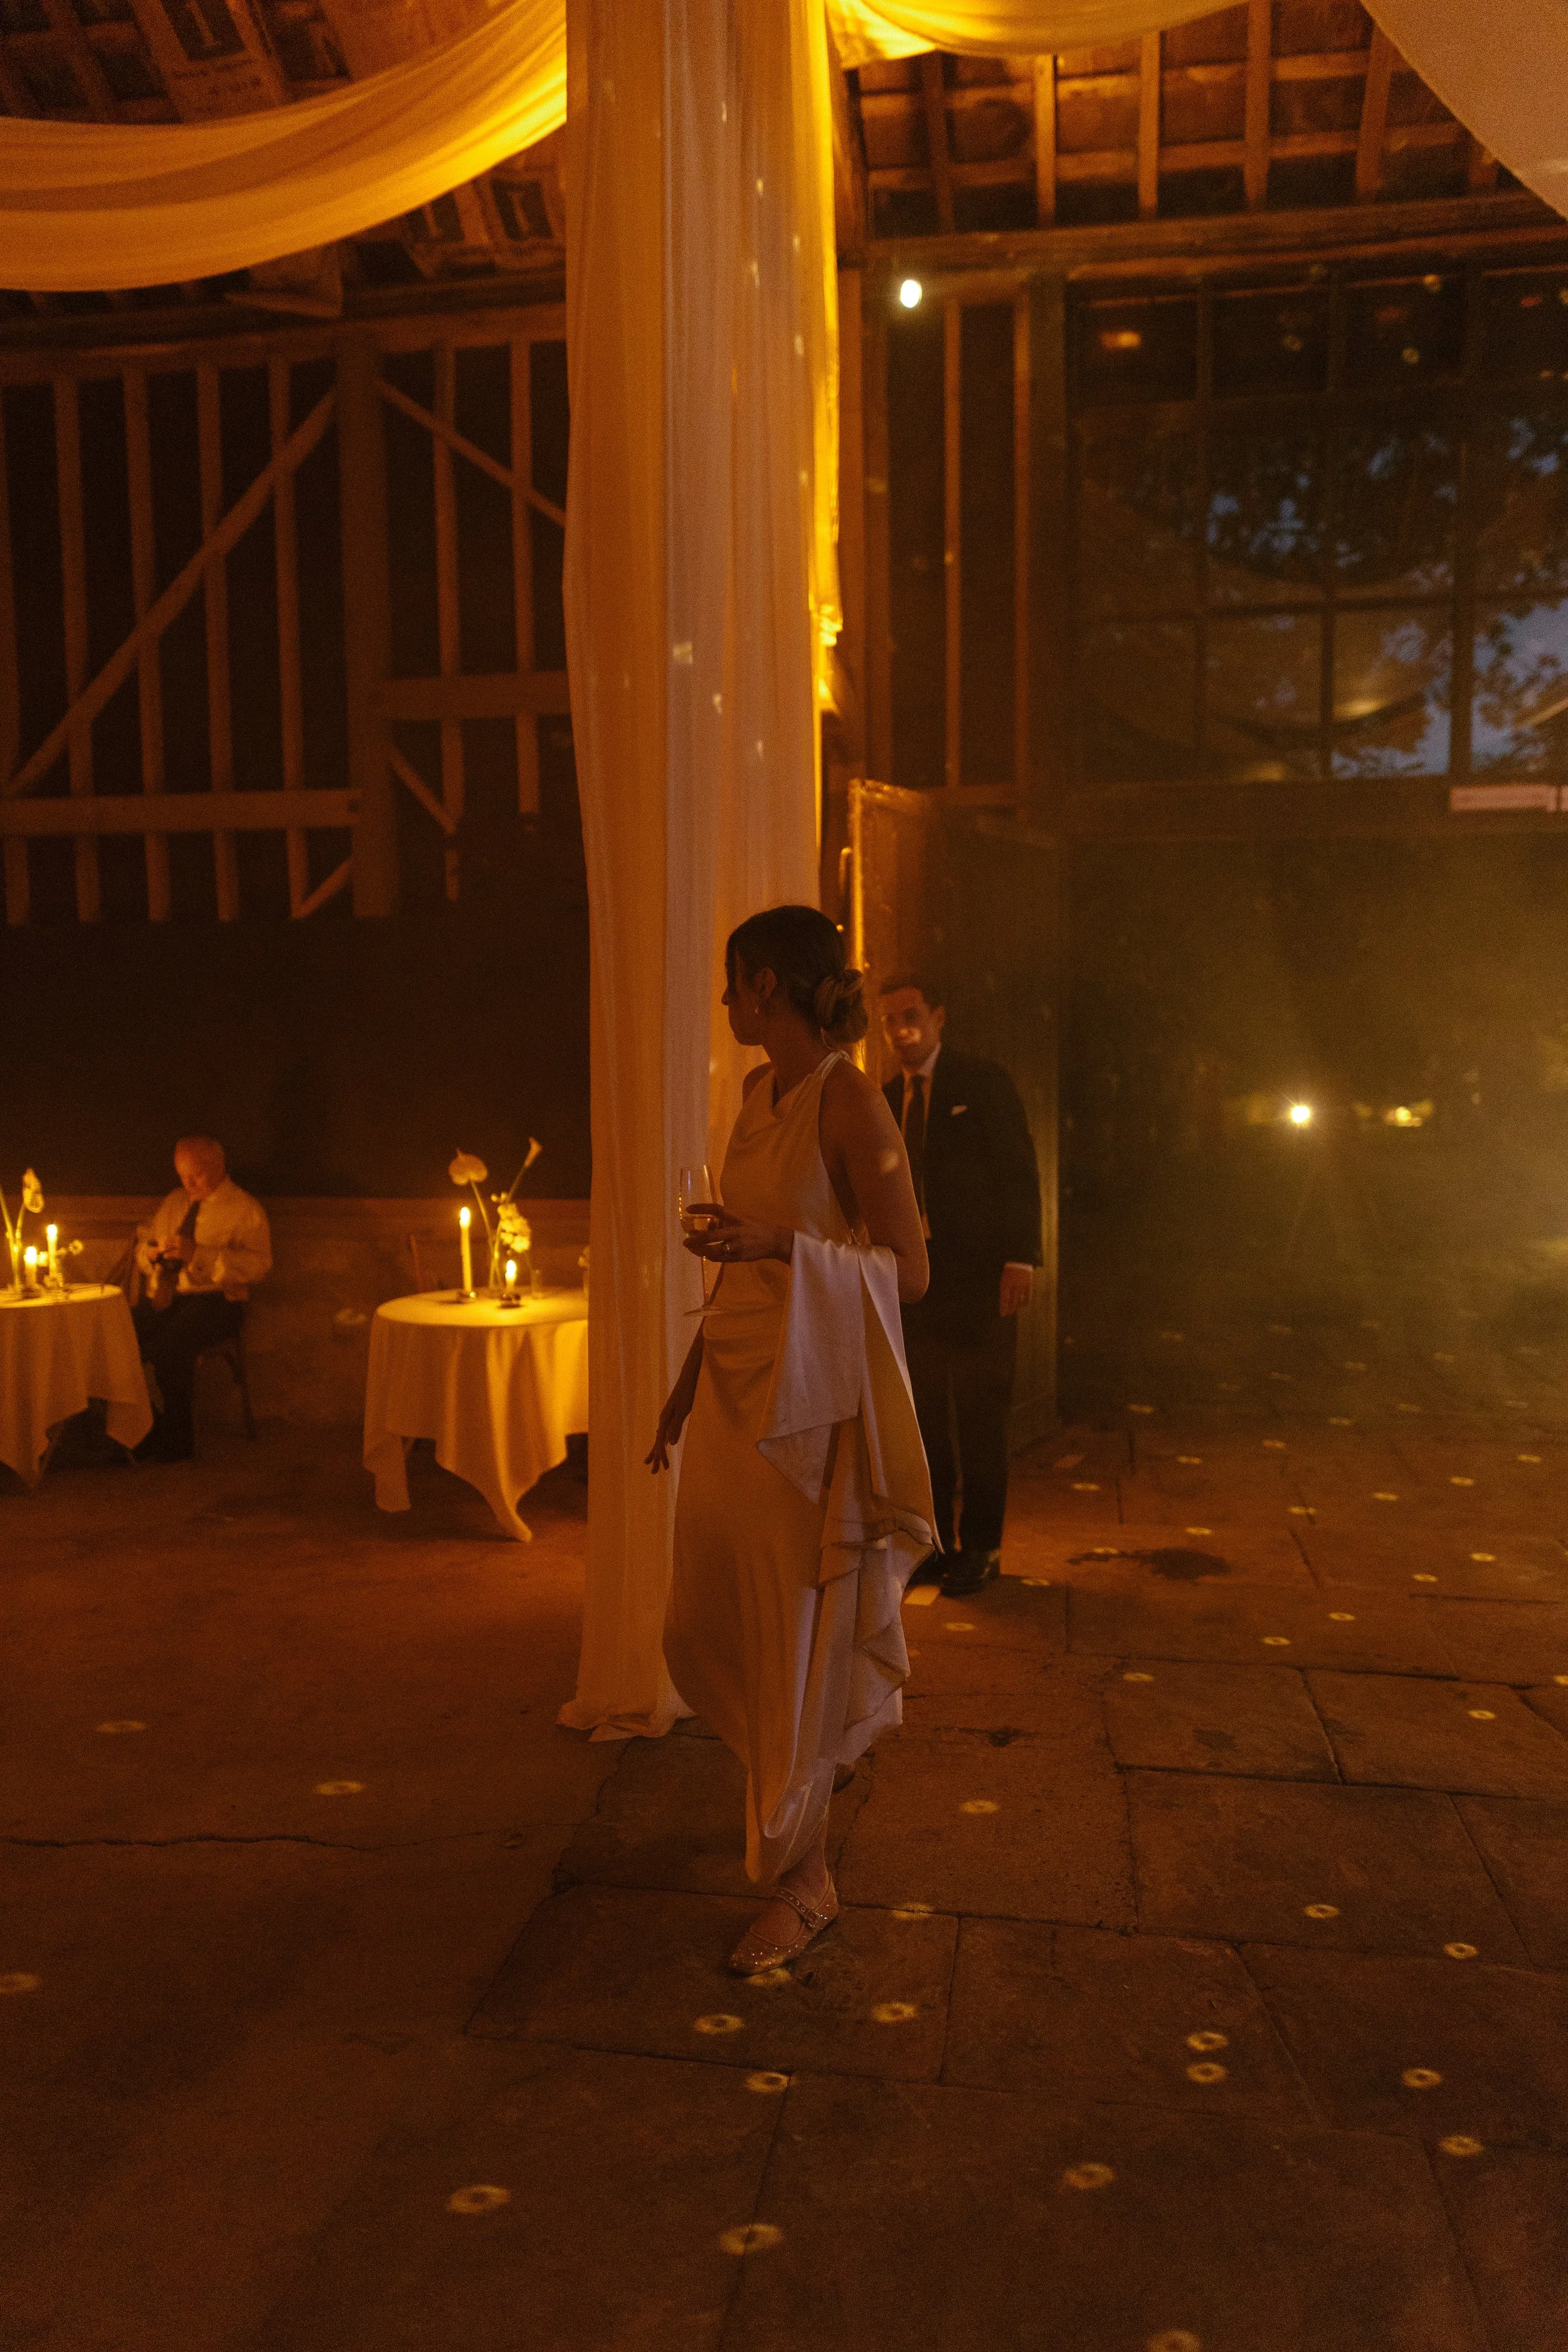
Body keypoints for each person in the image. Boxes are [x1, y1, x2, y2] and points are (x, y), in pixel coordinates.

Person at [651, 905, 935, 1976]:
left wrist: (784, 1242)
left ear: (766, 986)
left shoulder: (849, 1101)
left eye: (734, 985)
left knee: (798, 1636)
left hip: (807, 1413)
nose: (728, 1005)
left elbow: (910, 1271)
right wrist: (683, 1386)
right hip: (730, 1395)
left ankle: (806, 1879)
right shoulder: (755, 1095)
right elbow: (736, 1258)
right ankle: (789, 1789)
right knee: (716, 1612)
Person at [879, 975, 1042, 1599]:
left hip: (981, 1279)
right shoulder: (888, 1097)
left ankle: (982, 1546)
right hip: (917, 1282)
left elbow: (1018, 1168)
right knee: (922, 1418)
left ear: (938, 1017)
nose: (900, 1030)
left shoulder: (981, 1083)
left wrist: (1019, 1260)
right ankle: (935, 1546)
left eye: (911, 1016)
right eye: (890, 1020)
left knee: (979, 1414)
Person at [132, 1136, 272, 1462]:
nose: (188, 1183)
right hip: (167, 1294)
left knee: (171, 1347)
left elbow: (259, 1266)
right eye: (182, 1175)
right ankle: (136, 1426)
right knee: (121, 1336)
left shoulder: (244, 1209)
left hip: (217, 1300)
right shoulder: (174, 1202)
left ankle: (176, 1439)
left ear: (219, 1169)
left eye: (196, 1175)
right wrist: (150, 1255)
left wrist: (201, 1256)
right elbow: (144, 1249)